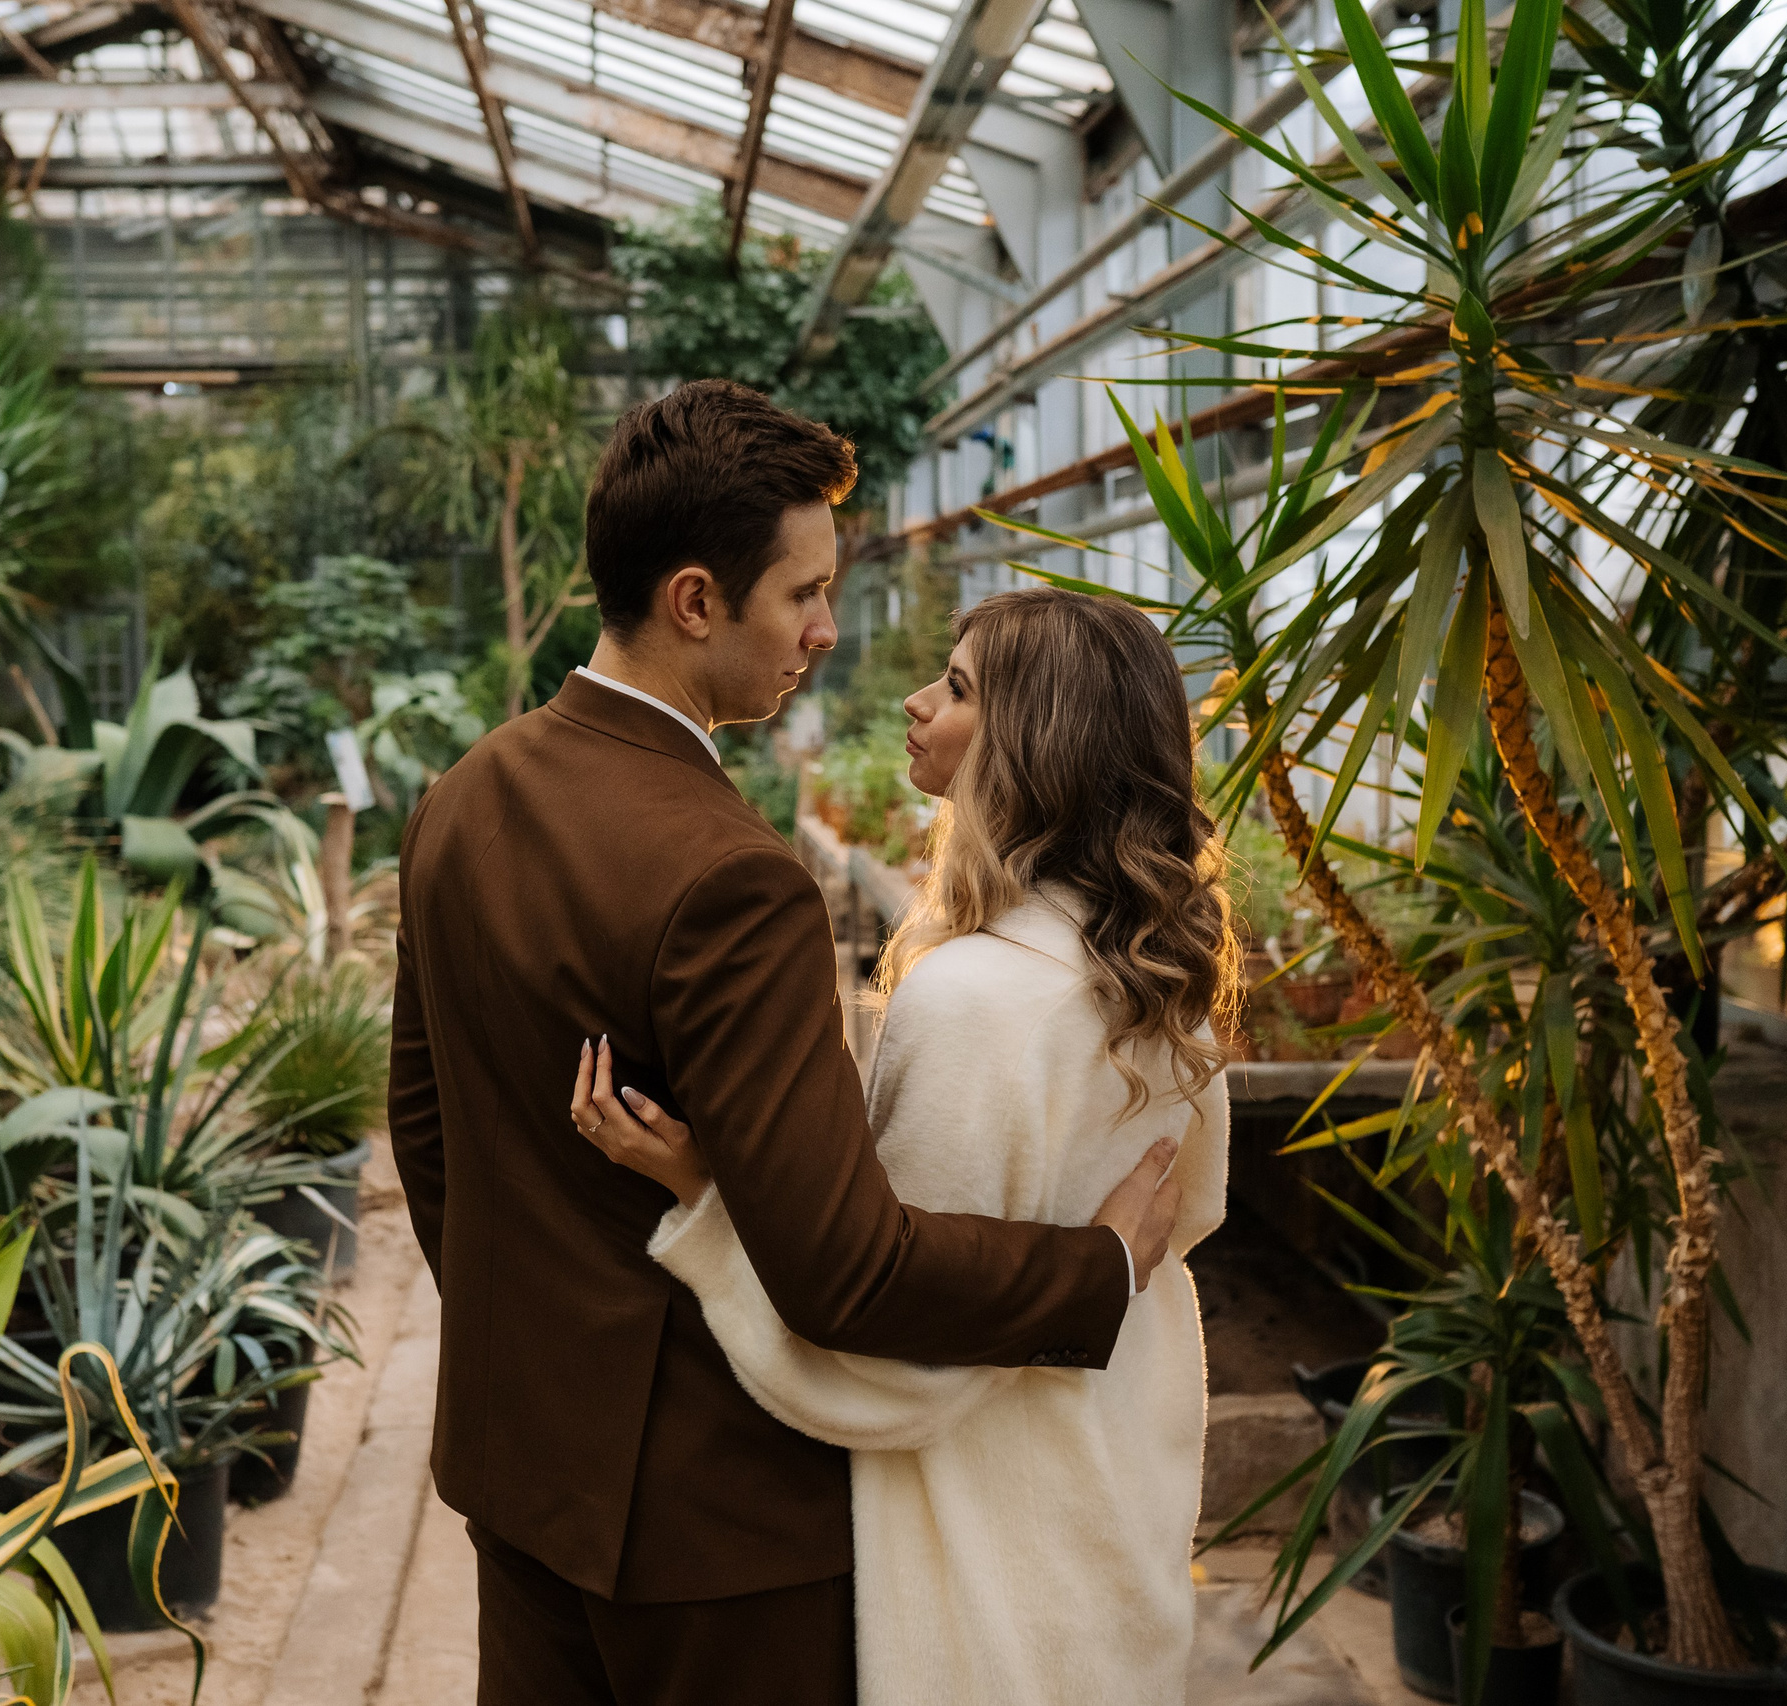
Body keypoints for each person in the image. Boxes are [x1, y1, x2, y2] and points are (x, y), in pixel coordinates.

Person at [386, 381, 1192, 1706]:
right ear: (695, 600)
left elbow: (429, 1137)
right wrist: (1096, 1270)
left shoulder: (460, 799)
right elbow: (846, 1271)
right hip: (720, 1528)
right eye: (804, 594)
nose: (825, 629)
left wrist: (538, 1352)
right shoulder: (729, 877)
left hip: (516, 1472)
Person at [566, 584, 1238, 1706]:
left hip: (993, 1557)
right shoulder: (1163, 983)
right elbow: (1186, 1223)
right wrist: (1098, 1271)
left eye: (958, 688)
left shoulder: (974, 999)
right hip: (1119, 1496)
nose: (918, 703)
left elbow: (886, 1362)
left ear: (1038, 743)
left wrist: (703, 1196)